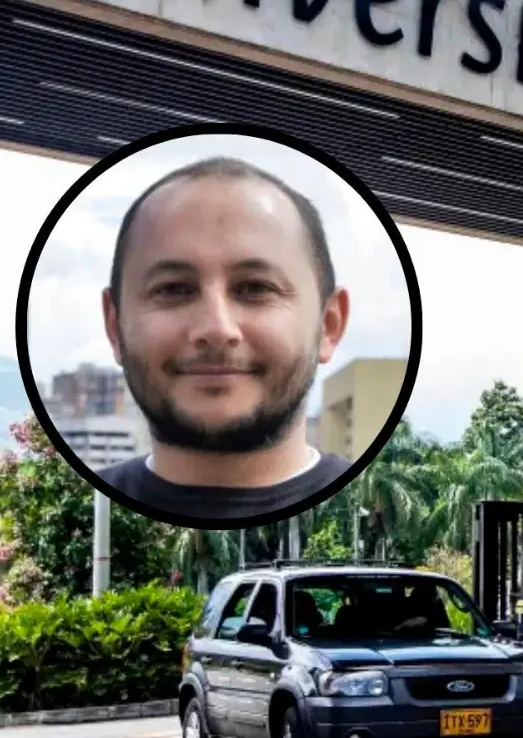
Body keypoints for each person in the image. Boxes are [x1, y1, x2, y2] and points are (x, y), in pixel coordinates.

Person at [96, 156, 351, 520]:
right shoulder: (90, 507)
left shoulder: (365, 504)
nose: (216, 329)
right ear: (114, 326)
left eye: (255, 288)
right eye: (173, 289)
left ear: (328, 325)